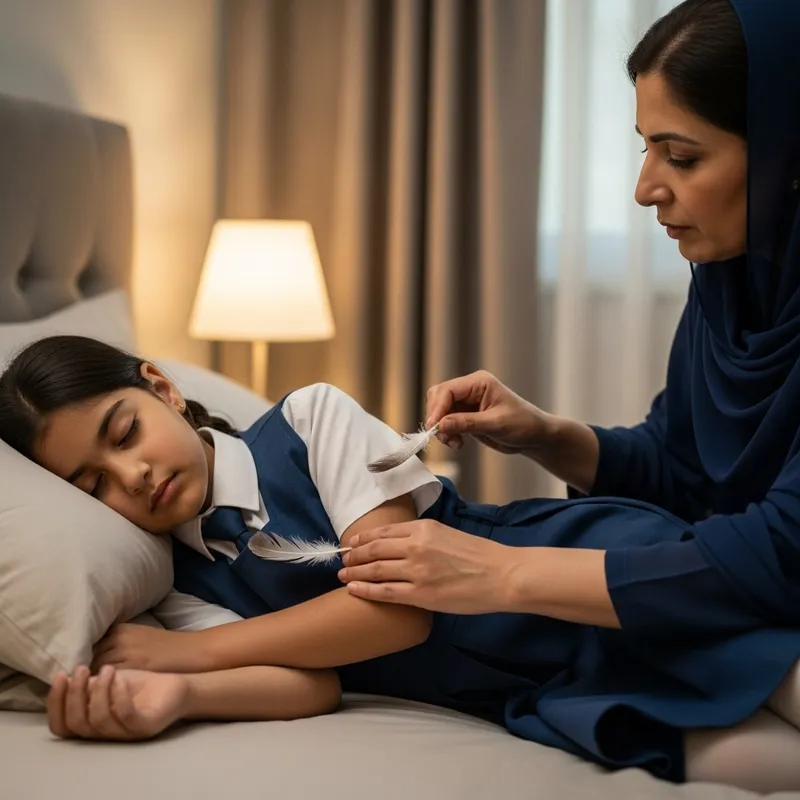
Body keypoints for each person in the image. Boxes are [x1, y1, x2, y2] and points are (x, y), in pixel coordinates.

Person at [2, 0, 800, 790]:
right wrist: (544, 434)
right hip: (529, 678)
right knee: (732, 756)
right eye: (92, 486)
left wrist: (184, 660)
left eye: (680, 155)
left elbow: (391, 609)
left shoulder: (307, 423)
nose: (643, 188)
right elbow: (681, 468)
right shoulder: (731, 289)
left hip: (594, 575)